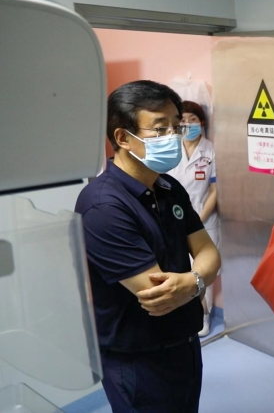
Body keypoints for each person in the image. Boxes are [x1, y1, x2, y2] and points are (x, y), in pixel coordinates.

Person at [75, 80, 221, 413]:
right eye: (160, 129)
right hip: (138, 361)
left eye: (175, 127)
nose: (173, 136)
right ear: (123, 137)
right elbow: (158, 296)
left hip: (184, 346)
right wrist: (200, 279)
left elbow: (209, 252)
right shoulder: (103, 206)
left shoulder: (169, 188)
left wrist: (193, 281)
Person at [166, 100, 219, 337]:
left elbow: (215, 190)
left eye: (193, 119)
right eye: (183, 120)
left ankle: (204, 313)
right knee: (181, 266)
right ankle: (187, 312)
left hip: (203, 218)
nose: (187, 124)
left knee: (204, 268)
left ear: (202, 122)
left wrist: (198, 218)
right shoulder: (171, 147)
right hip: (174, 218)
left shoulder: (211, 151)